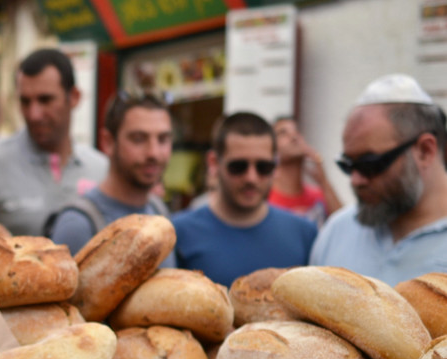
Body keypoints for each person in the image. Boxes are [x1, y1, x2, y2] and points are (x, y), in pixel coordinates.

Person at [310, 74, 447, 285]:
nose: (356, 180)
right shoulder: (338, 231)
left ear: (425, 150)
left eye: (369, 164)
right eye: (347, 165)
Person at [0, 48, 109, 236]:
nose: (34, 114)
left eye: (45, 100)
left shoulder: (101, 169)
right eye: (25, 101)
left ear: (75, 97)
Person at [173, 112, 318, 287]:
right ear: (214, 163)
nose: (251, 178)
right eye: (238, 167)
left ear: (276, 166)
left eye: (263, 167)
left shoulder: (304, 234)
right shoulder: (178, 233)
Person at [46, 92, 172, 255]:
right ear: (108, 142)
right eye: (138, 139)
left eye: (163, 139)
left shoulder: (158, 211)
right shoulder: (78, 224)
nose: (153, 153)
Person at [269, 117, 342, 225]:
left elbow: (344, 225)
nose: (294, 137)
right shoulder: (265, 199)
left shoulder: (319, 196)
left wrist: (323, 181)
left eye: (297, 131)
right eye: (283, 133)